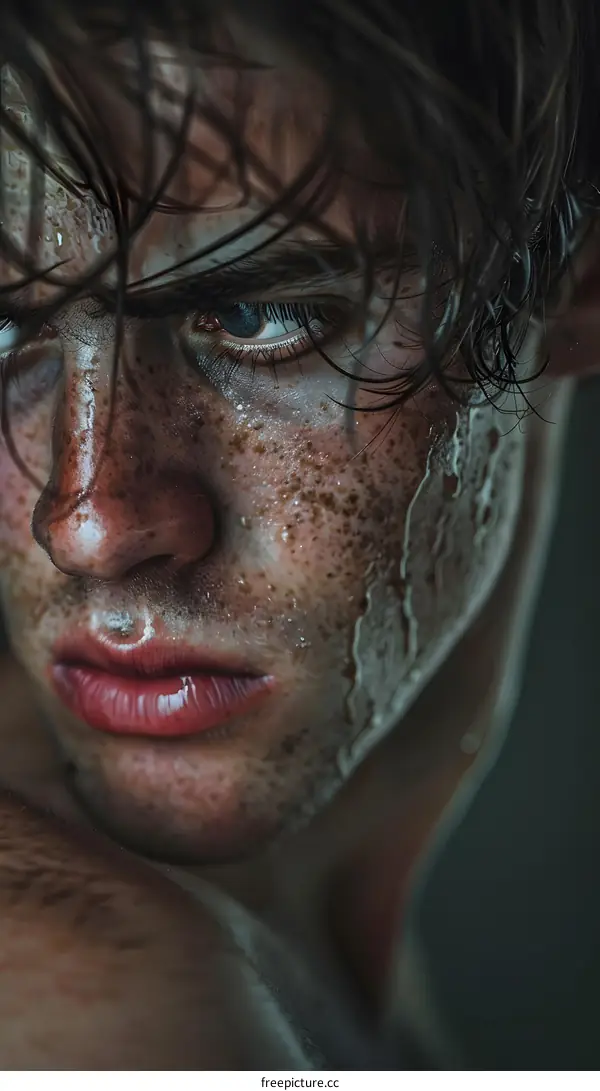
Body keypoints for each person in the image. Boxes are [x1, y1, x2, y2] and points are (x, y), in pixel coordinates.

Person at [0, 0, 597, 1068]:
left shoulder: (265, 978)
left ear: (578, 270)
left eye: (259, 319)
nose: (89, 520)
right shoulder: (114, 1011)